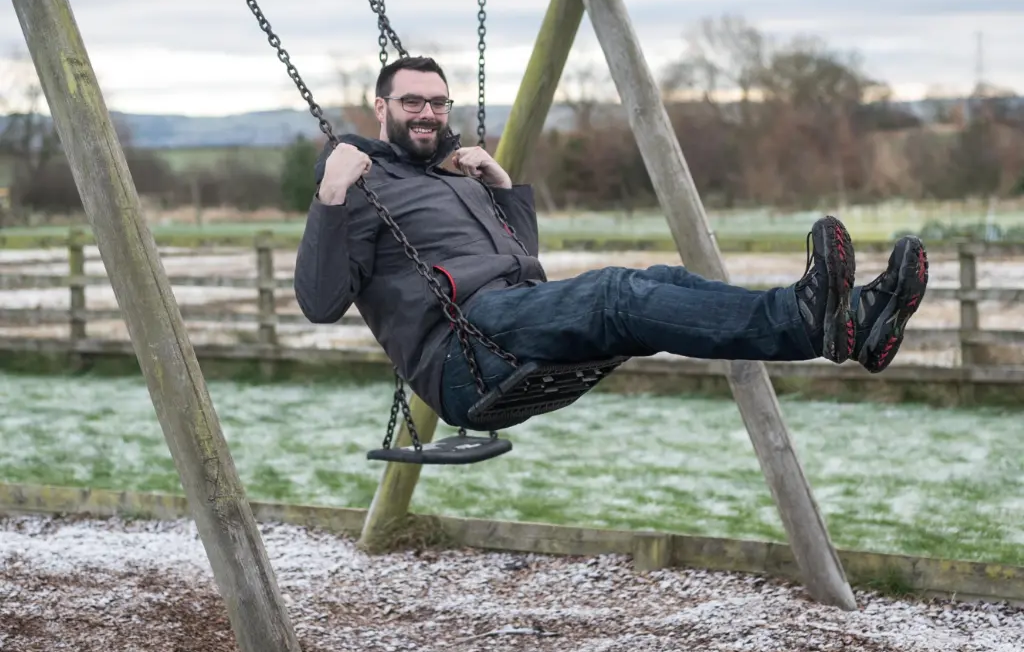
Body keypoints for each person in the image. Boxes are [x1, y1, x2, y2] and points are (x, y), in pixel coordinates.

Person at [295, 56, 928, 428]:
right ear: (380, 107)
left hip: (507, 318)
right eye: (412, 102)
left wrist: (504, 188)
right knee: (614, 294)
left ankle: (854, 325)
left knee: (664, 281)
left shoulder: (452, 174)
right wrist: (330, 196)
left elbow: (520, 266)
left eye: (438, 102)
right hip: (463, 354)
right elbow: (320, 303)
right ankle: (806, 314)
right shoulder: (361, 182)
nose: (429, 113)